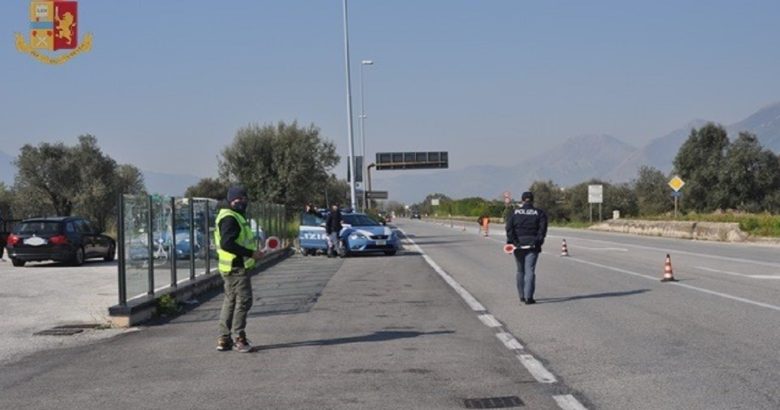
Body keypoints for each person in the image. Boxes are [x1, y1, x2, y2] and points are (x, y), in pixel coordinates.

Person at [214, 186, 265, 352]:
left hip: (229, 266)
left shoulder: (230, 214)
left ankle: (224, 338)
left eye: (244, 199)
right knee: (244, 301)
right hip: (236, 267)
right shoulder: (230, 218)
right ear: (231, 200)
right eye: (239, 199)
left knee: (230, 301)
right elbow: (227, 243)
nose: (242, 202)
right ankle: (239, 337)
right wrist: (251, 253)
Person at [506, 191, 548, 305]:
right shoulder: (539, 213)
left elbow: (509, 228)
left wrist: (512, 242)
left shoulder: (514, 212)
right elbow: (542, 230)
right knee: (530, 270)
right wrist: (538, 241)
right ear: (532, 200)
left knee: (520, 270)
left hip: (518, 245)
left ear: (522, 200)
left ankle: (521, 296)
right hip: (533, 245)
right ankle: (529, 297)